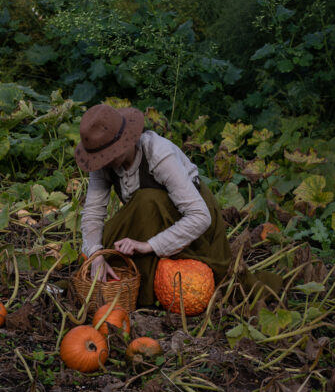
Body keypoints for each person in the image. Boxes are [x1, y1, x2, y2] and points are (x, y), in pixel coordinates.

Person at [75, 103, 233, 308]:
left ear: (126, 141)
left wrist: (148, 246)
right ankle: (117, 285)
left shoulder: (158, 153)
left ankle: (146, 288)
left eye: (110, 154)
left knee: (147, 200)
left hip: (192, 229)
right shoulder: (101, 163)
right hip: (148, 219)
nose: (105, 161)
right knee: (103, 250)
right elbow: (93, 214)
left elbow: (199, 217)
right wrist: (96, 255)